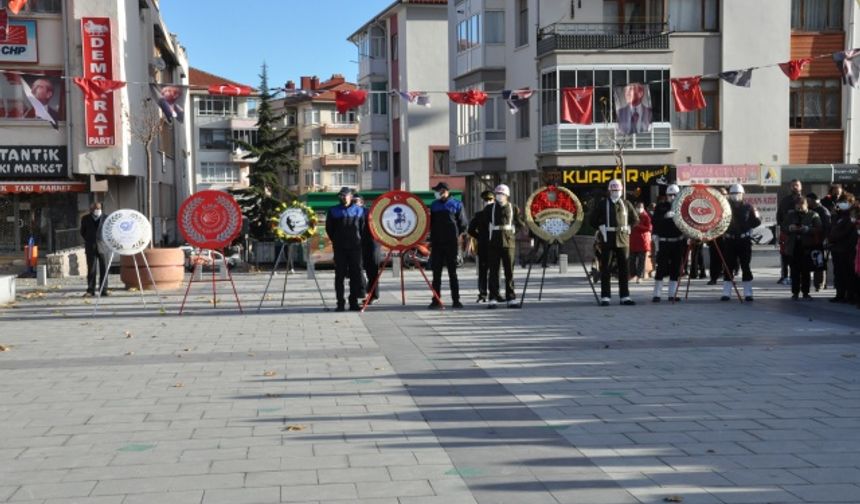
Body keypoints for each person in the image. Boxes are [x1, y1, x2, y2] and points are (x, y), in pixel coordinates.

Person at [587, 179, 639, 306]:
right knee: (606, 268)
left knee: (624, 269)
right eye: (614, 190)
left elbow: (635, 219)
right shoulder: (603, 204)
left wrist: (629, 227)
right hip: (607, 239)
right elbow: (592, 219)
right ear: (609, 191)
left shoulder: (626, 204)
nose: (616, 192)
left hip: (623, 239)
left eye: (618, 190)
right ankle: (605, 296)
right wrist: (600, 226)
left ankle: (625, 296)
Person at [428, 182, 468, 309]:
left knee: (453, 273)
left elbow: (463, 224)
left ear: (444, 191)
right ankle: (436, 299)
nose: (436, 193)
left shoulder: (456, 204)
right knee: (436, 274)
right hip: (437, 244)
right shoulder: (434, 205)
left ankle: (456, 300)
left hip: (451, 244)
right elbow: (431, 224)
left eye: (438, 191)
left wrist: (458, 238)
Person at [325, 187, 365, 311]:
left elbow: (363, 229)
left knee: (356, 274)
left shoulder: (359, 211)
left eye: (344, 195)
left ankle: (353, 302)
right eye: (340, 196)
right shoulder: (333, 211)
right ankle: (340, 303)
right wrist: (337, 240)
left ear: (350, 196)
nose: (342, 197)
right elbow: (329, 229)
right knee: (339, 275)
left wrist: (358, 241)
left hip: (355, 248)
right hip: (340, 248)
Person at [721, 184, 761, 302]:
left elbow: (757, 221)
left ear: (743, 194)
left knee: (745, 266)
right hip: (729, 240)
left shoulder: (749, 207)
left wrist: (747, 226)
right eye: (733, 194)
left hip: (744, 240)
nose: (736, 196)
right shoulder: (725, 207)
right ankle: (726, 293)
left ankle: (748, 293)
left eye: (738, 194)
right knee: (728, 266)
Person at [486, 184, 522, 309]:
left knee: (509, 272)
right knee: (494, 272)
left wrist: (512, 233)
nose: (499, 196)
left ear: (507, 195)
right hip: (494, 242)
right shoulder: (489, 208)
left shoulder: (514, 208)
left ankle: (511, 298)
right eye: (497, 194)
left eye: (502, 194)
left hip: (509, 243)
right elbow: (484, 224)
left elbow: (520, 223)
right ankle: (493, 297)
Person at [782, 195, 822, 300]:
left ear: (807, 204)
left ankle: (806, 292)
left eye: (802, 204)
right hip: (793, 246)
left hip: (807, 247)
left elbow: (819, 228)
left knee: (805, 271)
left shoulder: (813, 215)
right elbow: (783, 227)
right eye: (797, 204)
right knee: (794, 271)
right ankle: (795, 292)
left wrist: (808, 229)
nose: (799, 207)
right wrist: (789, 228)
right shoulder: (790, 215)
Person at [652, 184, 685, 303]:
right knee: (661, 267)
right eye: (670, 194)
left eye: (675, 194)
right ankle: (657, 294)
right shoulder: (661, 207)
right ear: (666, 195)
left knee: (675, 268)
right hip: (664, 241)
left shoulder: (682, 208)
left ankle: (673, 294)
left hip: (678, 241)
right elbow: (655, 221)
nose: (672, 196)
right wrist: (664, 216)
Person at [828, 194, 857, 304]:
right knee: (838, 273)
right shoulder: (838, 216)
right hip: (836, 249)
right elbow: (832, 229)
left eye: (844, 202)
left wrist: (833, 237)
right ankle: (839, 294)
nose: (841, 204)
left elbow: (843, 232)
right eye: (840, 202)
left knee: (847, 273)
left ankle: (849, 295)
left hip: (846, 249)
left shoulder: (851, 217)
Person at [467, 190, 495, 303]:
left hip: (495, 246)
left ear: (493, 200)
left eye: (490, 200)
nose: (487, 202)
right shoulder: (479, 215)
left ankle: (493, 293)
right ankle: (482, 294)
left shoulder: (496, 214)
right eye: (485, 200)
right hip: (483, 247)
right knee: (483, 272)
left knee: (494, 272)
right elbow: (470, 230)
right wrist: (480, 237)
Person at [353, 194, 379, 304]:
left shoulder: (368, 213)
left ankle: (373, 295)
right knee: (357, 269)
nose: (354, 203)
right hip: (357, 245)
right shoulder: (351, 213)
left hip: (371, 244)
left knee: (372, 271)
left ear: (362, 203)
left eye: (356, 201)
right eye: (353, 201)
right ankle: (363, 291)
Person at [776, 179, 803, 285]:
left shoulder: (804, 200)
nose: (795, 187)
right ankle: (784, 276)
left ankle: (795, 276)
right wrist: (781, 229)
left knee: (797, 256)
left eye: (797, 185)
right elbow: (779, 216)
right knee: (784, 255)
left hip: (800, 233)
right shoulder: (785, 200)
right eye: (792, 185)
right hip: (786, 233)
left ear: (801, 187)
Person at [80, 202, 107, 297]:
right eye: (95, 208)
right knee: (91, 269)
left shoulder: (106, 218)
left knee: (104, 269)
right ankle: (90, 290)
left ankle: (103, 290)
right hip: (90, 246)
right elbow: (82, 232)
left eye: (98, 208)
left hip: (103, 246)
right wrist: (89, 239)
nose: (97, 210)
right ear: (91, 210)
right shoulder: (85, 218)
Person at [806, 193, 831, 292]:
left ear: (813, 200)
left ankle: (820, 284)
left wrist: (824, 239)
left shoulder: (823, 211)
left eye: (808, 201)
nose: (807, 203)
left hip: (819, 240)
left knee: (819, 263)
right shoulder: (810, 210)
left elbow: (827, 227)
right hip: (811, 240)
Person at [707, 187, 729, 285]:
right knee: (714, 258)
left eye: (724, 194)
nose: (722, 196)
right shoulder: (712, 205)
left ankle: (728, 277)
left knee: (728, 259)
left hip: (728, 237)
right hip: (715, 236)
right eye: (721, 194)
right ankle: (713, 278)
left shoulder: (730, 206)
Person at [628, 201, 651, 284]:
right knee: (632, 259)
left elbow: (649, 228)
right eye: (638, 207)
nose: (639, 209)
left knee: (641, 260)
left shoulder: (646, 216)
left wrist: (638, 226)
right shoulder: (633, 216)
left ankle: (639, 276)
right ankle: (633, 275)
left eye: (641, 207)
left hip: (642, 241)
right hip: (634, 241)